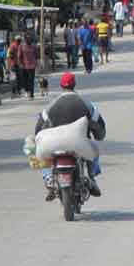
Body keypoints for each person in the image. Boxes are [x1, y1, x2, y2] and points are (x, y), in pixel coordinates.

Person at [34, 72, 105, 201]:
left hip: (53, 145)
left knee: (39, 152)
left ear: (61, 85)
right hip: (79, 144)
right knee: (94, 150)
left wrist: (37, 140)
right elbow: (99, 126)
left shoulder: (51, 105)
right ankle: (91, 177)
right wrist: (98, 136)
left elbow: (39, 127)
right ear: (74, 84)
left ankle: (48, 177)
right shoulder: (86, 104)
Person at [17, 34, 39, 99]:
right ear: (25, 39)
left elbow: (37, 55)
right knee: (25, 80)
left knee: (31, 80)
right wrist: (20, 64)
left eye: (30, 39)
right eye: (27, 39)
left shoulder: (34, 46)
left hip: (32, 66)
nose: (29, 40)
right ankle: (27, 91)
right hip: (24, 66)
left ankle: (31, 94)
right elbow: (19, 56)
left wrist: (37, 63)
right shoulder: (21, 46)